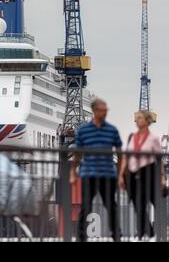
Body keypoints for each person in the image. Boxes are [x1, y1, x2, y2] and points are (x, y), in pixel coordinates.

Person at [70, 98, 123, 242]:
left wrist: (120, 174)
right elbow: (77, 154)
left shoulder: (112, 130)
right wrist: (73, 172)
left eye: (106, 111)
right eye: (102, 110)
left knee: (111, 206)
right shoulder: (83, 130)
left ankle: (116, 236)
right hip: (89, 174)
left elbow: (120, 153)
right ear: (94, 111)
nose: (105, 113)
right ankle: (81, 237)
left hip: (108, 174)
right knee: (86, 206)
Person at [118, 111, 167, 241]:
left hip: (149, 172)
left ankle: (157, 232)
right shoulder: (131, 137)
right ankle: (147, 232)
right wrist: (121, 174)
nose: (137, 120)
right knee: (138, 205)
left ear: (147, 121)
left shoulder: (154, 138)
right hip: (134, 174)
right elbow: (126, 157)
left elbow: (159, 159)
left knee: (154, 203)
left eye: (140, 118)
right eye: (137, 118)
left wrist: (162, 177)